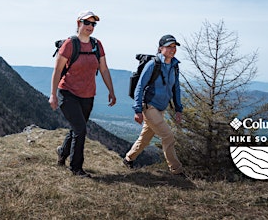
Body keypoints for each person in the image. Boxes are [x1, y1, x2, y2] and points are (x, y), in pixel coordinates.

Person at [49, 10, 116, 178]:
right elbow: (57, 70)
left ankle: (62, 152)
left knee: (76, 129)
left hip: (88, 95)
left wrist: (111, 90)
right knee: (81, 129)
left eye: (93, 24)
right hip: (68, 93)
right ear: (78, 23)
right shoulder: (70, 44)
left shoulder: (97, 45)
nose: (90, 27)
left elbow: (104, 69)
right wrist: (53, 94)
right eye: (87, 23)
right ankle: (76, 168)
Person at [123, 34, 184, 176]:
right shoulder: (153, 64)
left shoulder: (174, 66)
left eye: (174, 47)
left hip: (160, 109)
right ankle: (177, 170)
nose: (172, 49)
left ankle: (128, 159)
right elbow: (140, 86)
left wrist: (178, 109)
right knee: (168, 136)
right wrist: (137, 110)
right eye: (169, 46)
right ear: (160, 48)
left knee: (145, 138)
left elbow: (176, 89)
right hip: (149, 107)